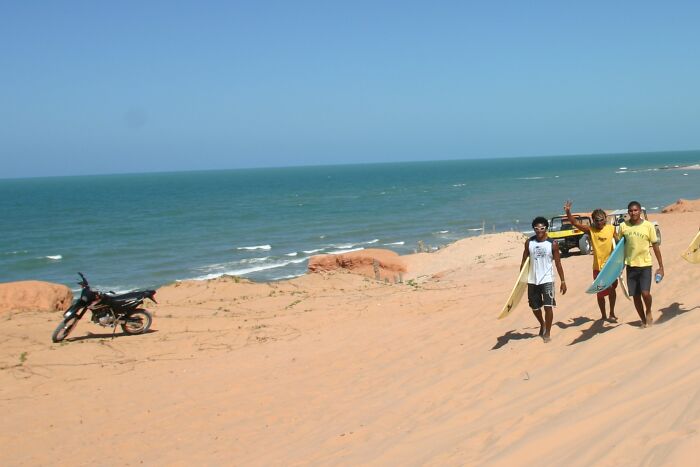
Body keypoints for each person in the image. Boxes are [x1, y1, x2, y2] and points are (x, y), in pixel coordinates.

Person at [564, 201, 618, 322]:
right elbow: (574, 222)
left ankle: (612, 313)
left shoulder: (611, 229)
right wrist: (568, 212)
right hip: (598, 267)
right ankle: (603, 315)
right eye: (596, 220)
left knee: (612, 290)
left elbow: (619, 244)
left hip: (611, 266)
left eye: (601, 219)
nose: (599, 222)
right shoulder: (591, 230)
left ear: (605, 218)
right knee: (600, 292)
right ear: (593, 220)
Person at [616, 201, 664, 328]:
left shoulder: (648, 226)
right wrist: (618, 266)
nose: (633, 213)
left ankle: (648, 311)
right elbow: (619, 247)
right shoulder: (623, 226)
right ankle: (643, 320)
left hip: (645, 265)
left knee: (645, 293)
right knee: (636, 296)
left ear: (640, 211)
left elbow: (655, 246)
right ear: (628, 213)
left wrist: (661, 267)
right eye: (631, 211)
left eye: (635, 210)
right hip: (631, 265)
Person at [521, 216, 567, 342]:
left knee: (548, 306)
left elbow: (558, 263)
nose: (539, 230)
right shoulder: (529, 242)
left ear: (546, 228)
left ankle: (548, 332)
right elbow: (524, 260)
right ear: (534, 229)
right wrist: (521, 279)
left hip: (547, 279)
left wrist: (563, 281)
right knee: (535, 307)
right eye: (536, 228)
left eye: (542, 228)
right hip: (532, 280)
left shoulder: (552, 244)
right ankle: (542, 323)